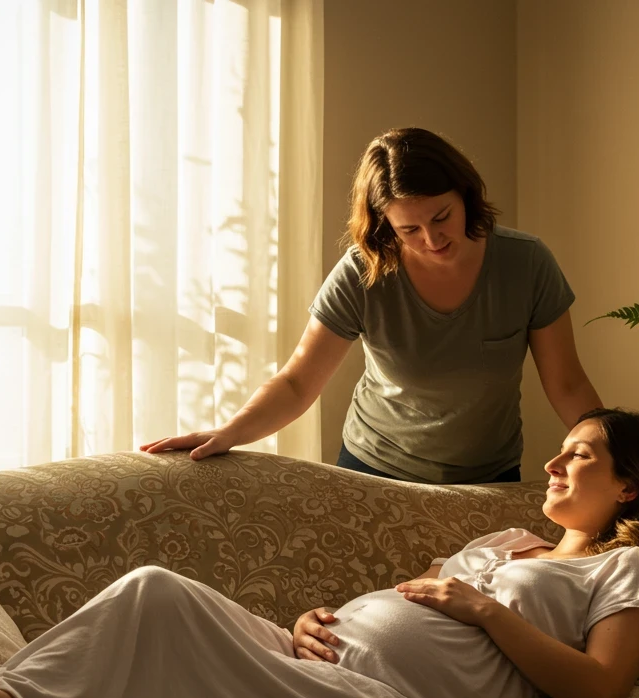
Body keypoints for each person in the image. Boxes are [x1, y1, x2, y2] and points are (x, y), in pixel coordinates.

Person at [0, 408, 639, 698]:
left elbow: (601, 688)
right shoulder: (510, 538)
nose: (551, 463)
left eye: (579, 454)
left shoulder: (624, 568)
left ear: (631, 487)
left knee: (152, 603)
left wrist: (480, 607)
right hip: (328, 663)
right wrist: (306, 618)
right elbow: (406, 602)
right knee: (156, 592)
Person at [140, 127, 603, 484]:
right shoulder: (363, 272)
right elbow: (299, 382)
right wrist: (231, 432)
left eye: (441, 217)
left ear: (466, 194)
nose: (432, 238)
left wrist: (614, 456)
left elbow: (566, 383)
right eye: (409, 230)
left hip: (489, 477)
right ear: (386, 226)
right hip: (374, 468)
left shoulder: (527, 263)